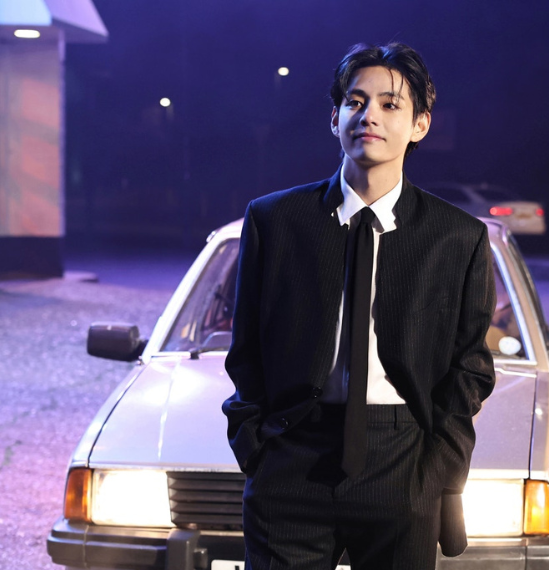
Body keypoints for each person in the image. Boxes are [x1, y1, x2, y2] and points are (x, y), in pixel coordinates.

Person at [223, 42, 496, 570]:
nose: (369, 114)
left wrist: (436, 470)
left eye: (390, 104)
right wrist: (255, 445)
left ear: (419, 125)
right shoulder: (275, 221)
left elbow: (470, 366)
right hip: (291, 458)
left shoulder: (457, 237)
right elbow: (247, 346)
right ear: (335, 118)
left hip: (403, 460)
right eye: (355, 101)